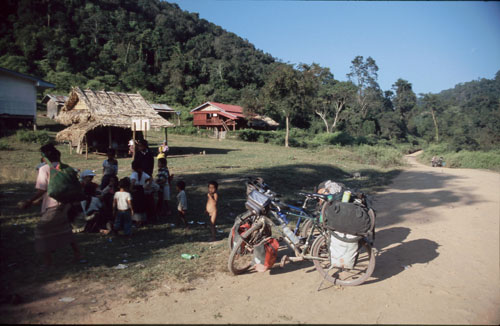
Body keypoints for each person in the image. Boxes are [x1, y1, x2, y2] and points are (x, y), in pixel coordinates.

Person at [18, 143, 82, 267]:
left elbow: (42, 190)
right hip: (65, 203)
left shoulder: (44, 169)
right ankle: (78, 254)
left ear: (44, 157)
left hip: (53, 206)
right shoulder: (64, 167)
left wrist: (29, 201)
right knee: (65, 229)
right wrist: (37, 202)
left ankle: (47, 262)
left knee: (40, 232)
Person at [130, 160, 151, 227]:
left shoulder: (134, 174)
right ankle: (143, 220)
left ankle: (137, 222)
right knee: (142, 205)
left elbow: (133, 181)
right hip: (141, 191)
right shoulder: (143, 173)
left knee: (136, 206)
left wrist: (131, 189)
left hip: (136, 191)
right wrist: (147, 185)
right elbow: (150, 178)